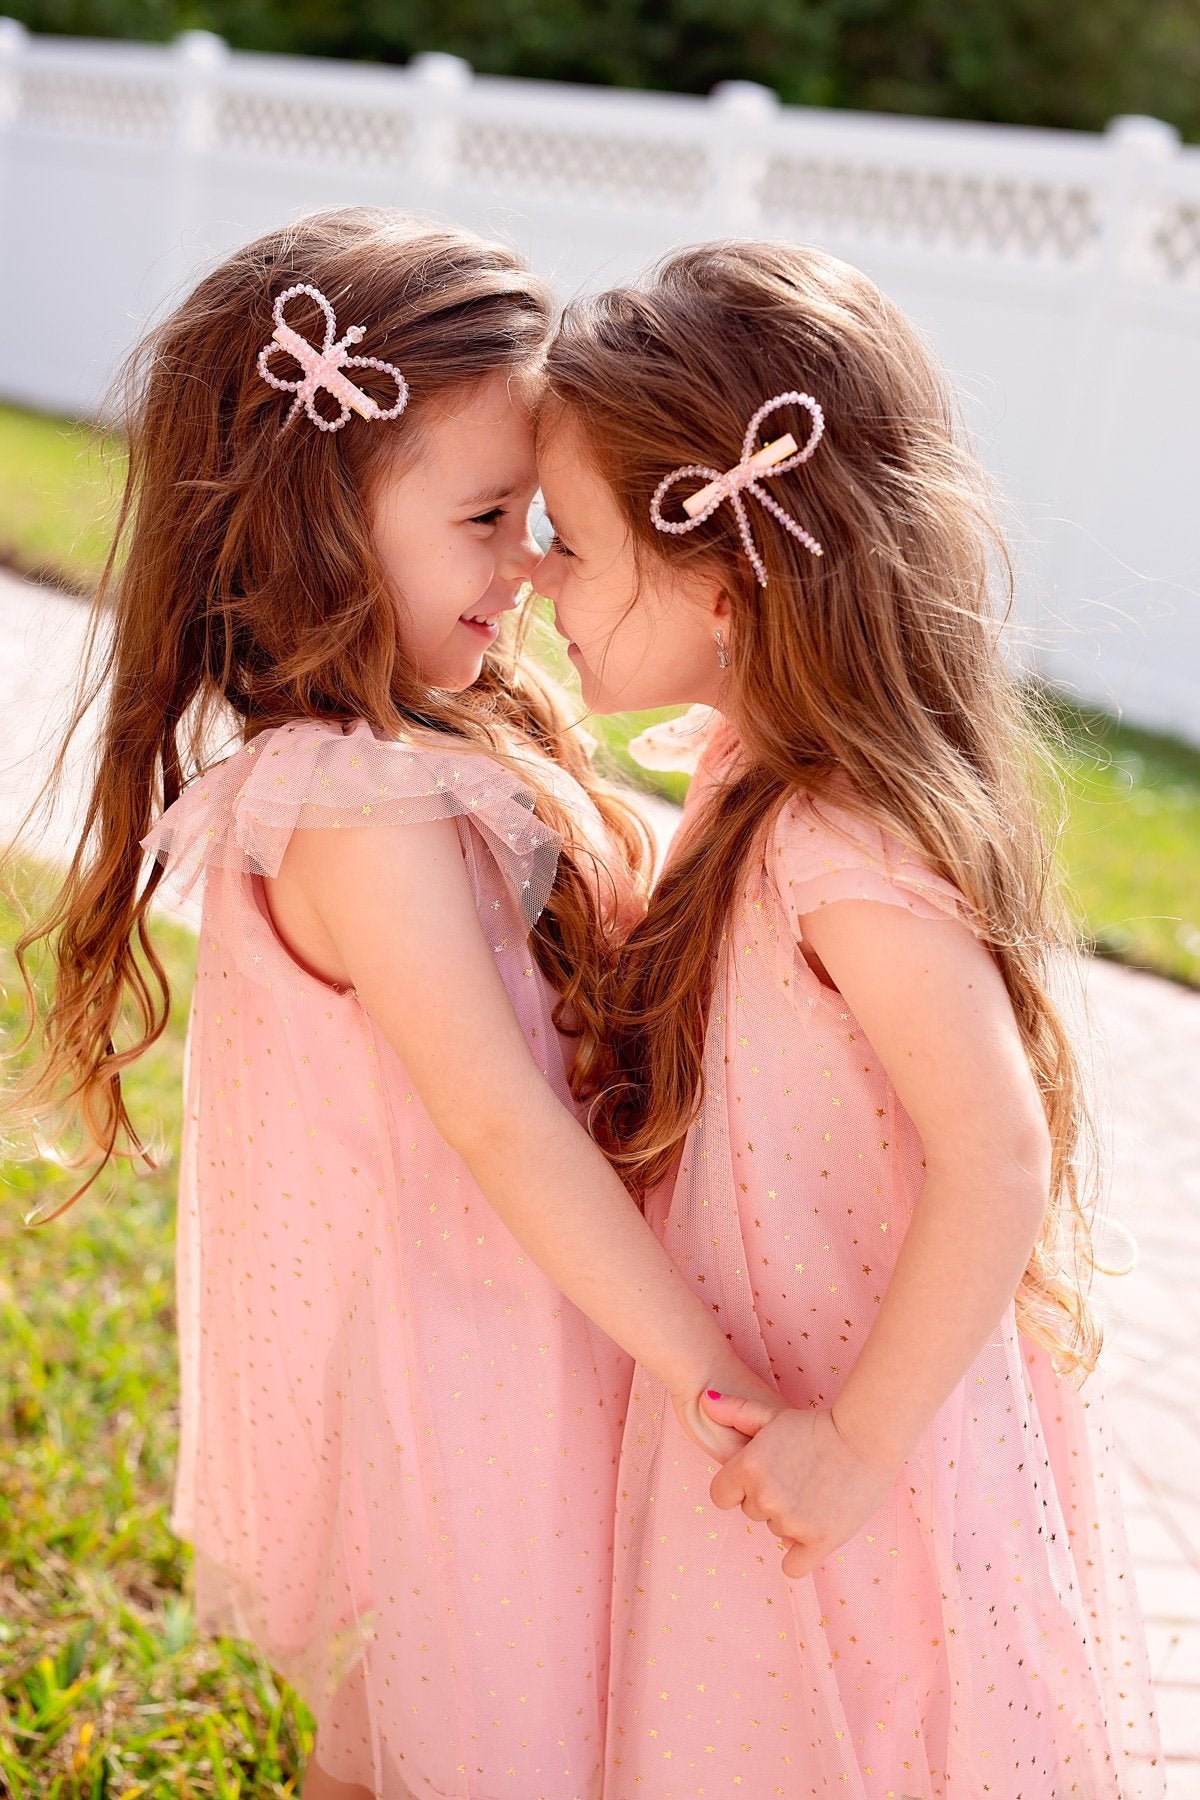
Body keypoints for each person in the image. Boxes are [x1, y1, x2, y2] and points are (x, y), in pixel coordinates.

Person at [11, 209, 771, 1800]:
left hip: (537, 1324)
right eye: (489, 517)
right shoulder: (354, 809)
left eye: (540, 520)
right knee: (475, 1740)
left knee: (467, 1735)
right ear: (319, 524)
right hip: (478, 1363)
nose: (531, 565)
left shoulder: (439, 745)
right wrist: (705, 1371)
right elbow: (497, 1119)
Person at [534, 240, 1164, 1798]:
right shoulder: (747, 779)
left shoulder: (838, 842)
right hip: (784, 1396)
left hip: (861, 1425)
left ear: (723, 584)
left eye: (569, 540)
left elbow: (994, 1152)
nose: (537, 577)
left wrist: (864, 1440)